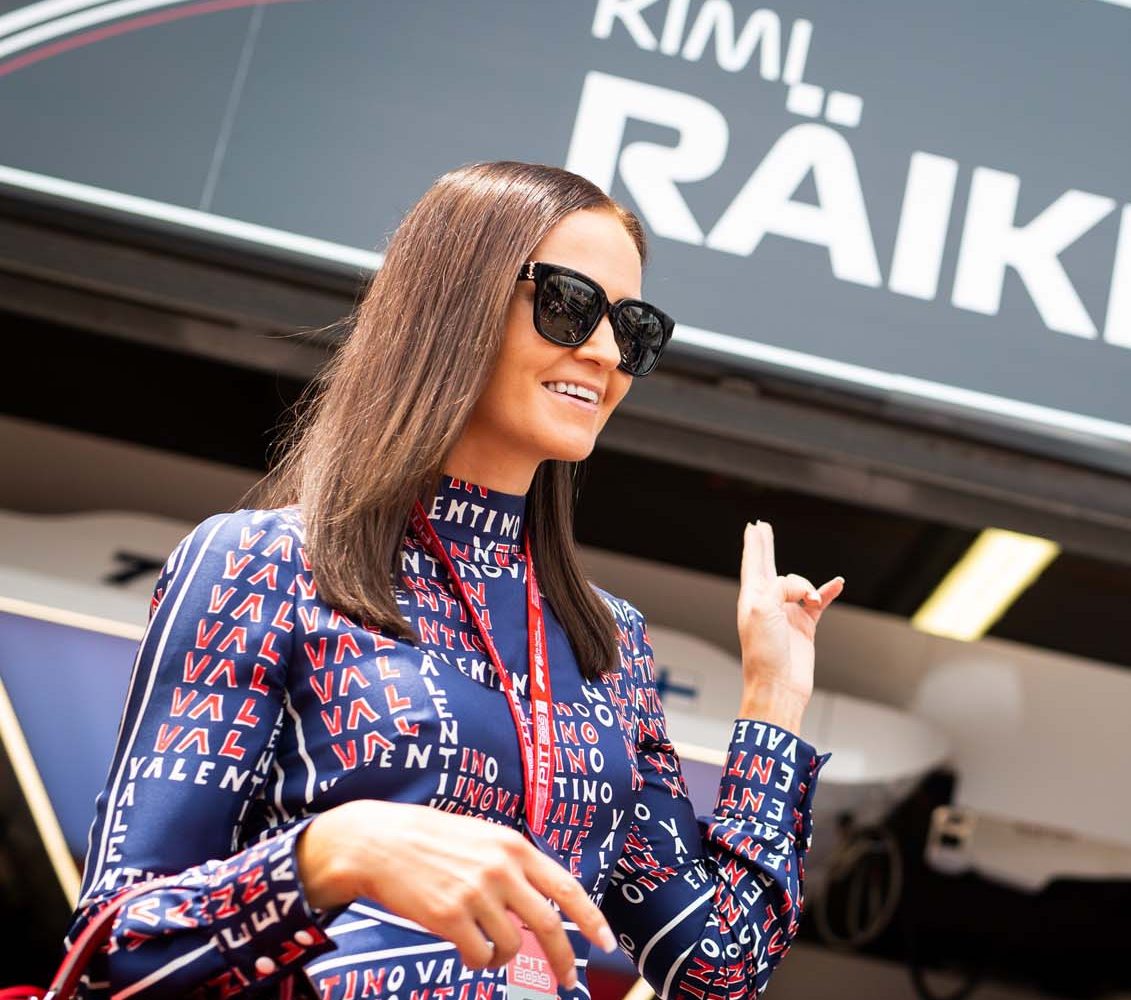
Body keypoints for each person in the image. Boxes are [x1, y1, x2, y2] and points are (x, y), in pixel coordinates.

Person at [63, 161, 844, 1000]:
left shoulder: (608, 647)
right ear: (456, 301)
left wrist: (773, 702)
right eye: (570, 304)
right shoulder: (263, 566)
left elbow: (716, 971)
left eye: (636, 328)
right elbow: (117, 950)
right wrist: (333, 853)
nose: (608, 352)